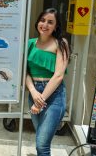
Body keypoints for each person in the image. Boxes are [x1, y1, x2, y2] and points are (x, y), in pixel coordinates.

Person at [26, 8, 70, 156]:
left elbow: (58, 75)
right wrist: (33, 91)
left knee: (42, 145)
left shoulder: (61, 43)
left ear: (56, 26)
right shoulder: (30, 43)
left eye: (50, 22)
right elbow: (25, 72)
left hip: (54, 95)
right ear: (38, 22)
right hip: (34, 93)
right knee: (40, 138)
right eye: (42, 20)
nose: (45, 25)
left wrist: (40, 100)